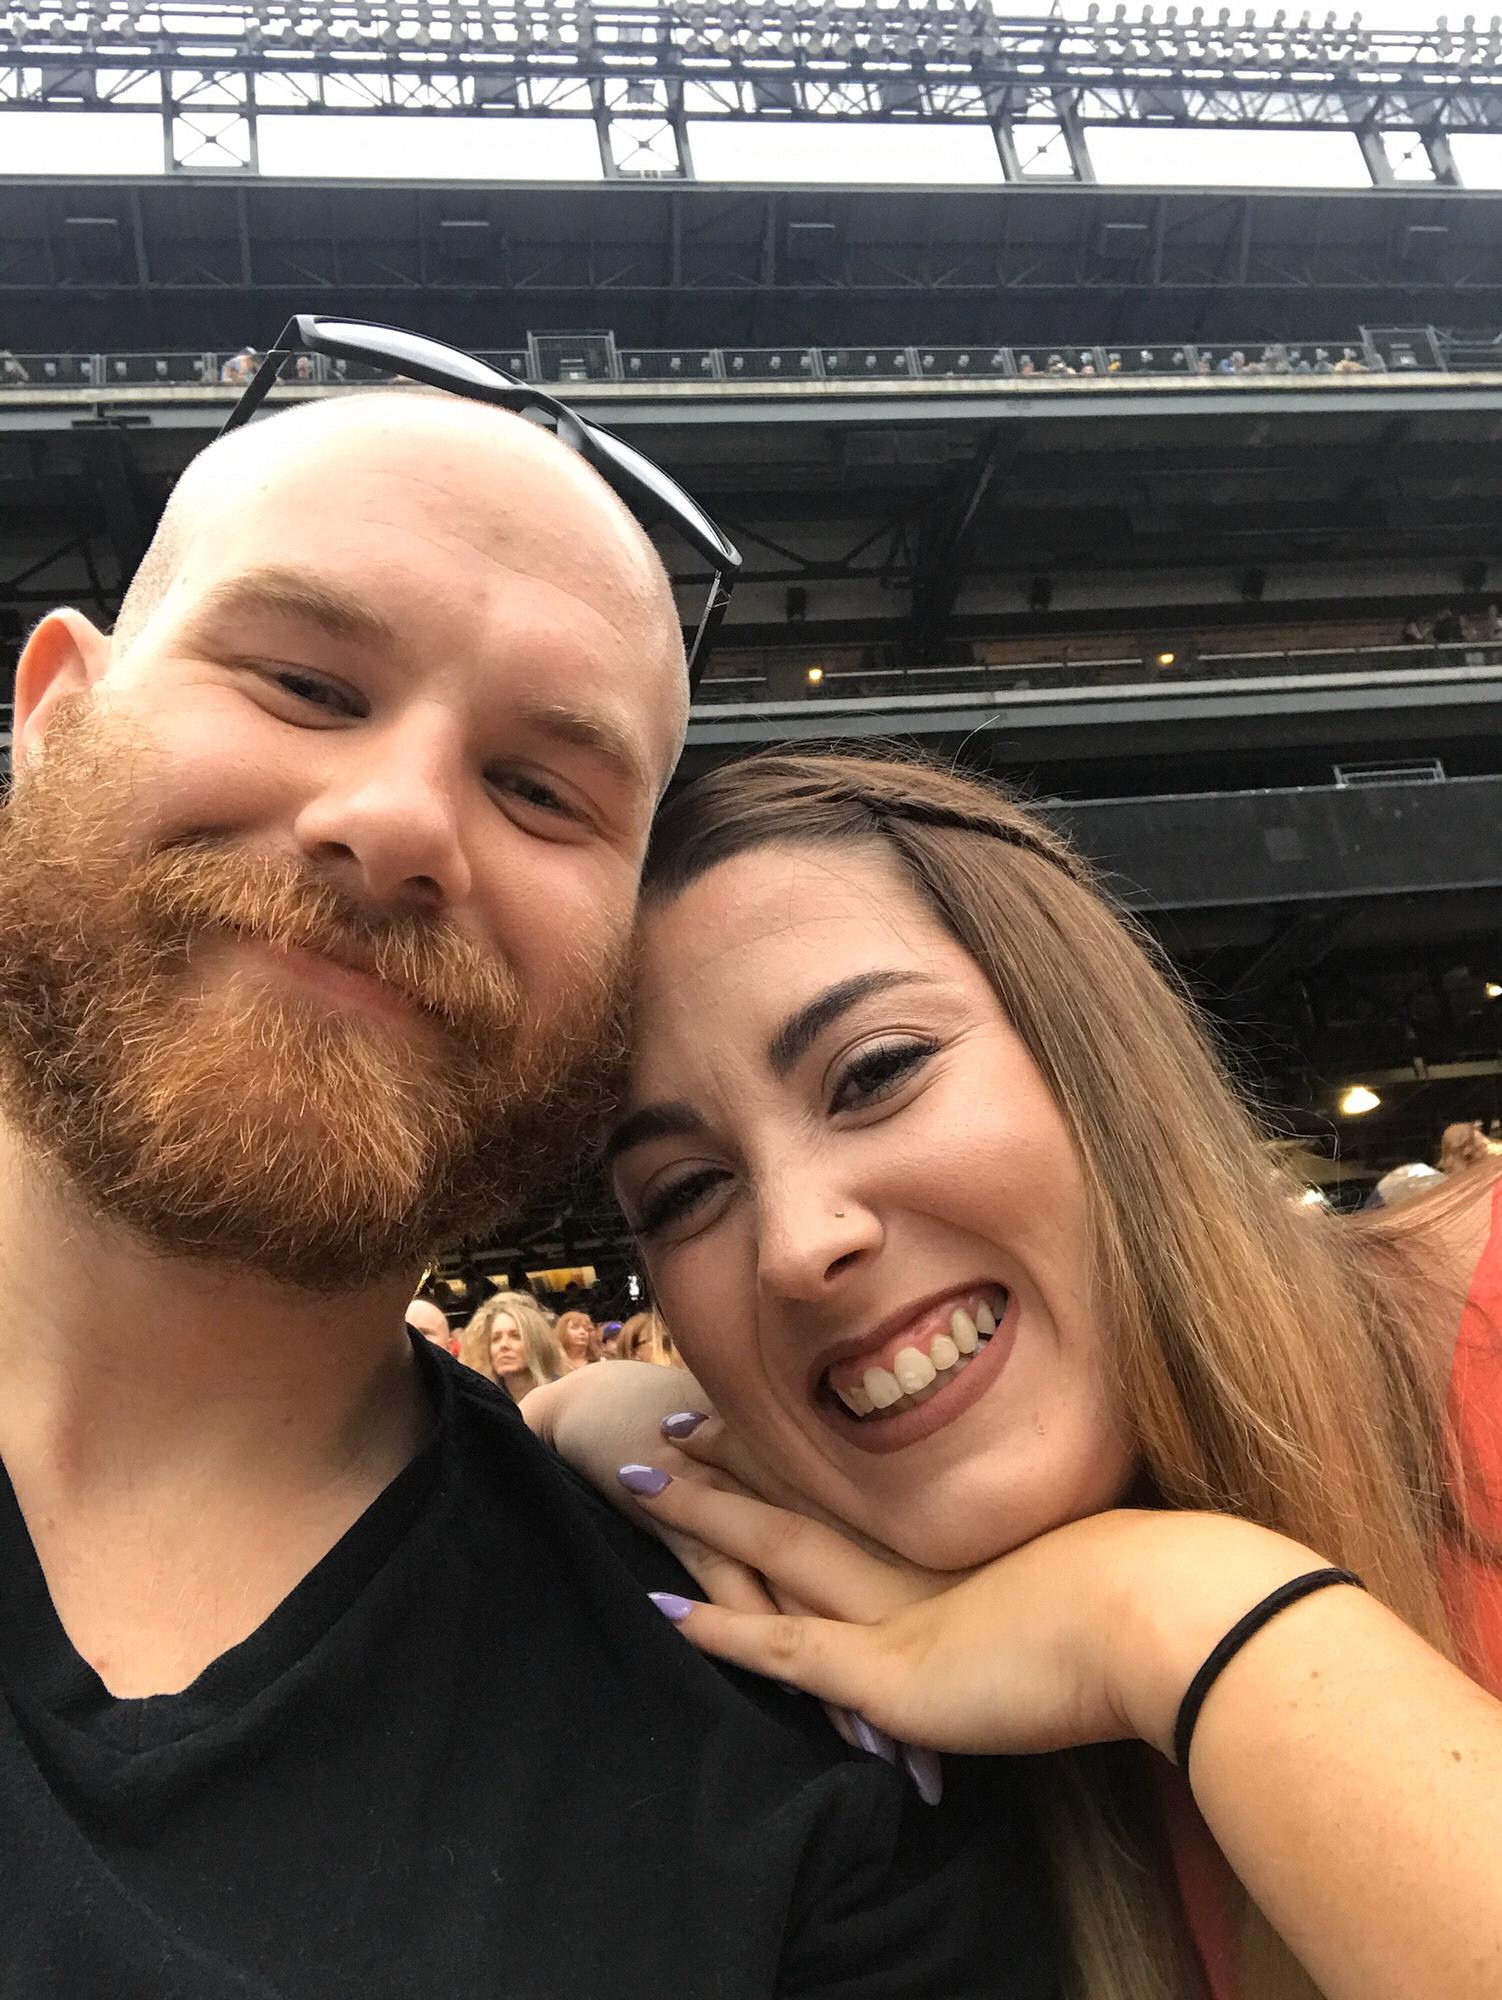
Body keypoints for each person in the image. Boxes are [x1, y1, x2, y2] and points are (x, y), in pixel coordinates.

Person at [0, 383, 1049, 1999]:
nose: (398, 823)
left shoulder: (787, 1756)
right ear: (58, 715)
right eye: (305, 684)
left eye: (543, 789)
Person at [530, 743, 1502, 2000]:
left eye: (874, 1071)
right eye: (683, 1192)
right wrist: (593, 1414)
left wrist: (1171, 1614)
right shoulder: (903, 1735)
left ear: (1099, 1050)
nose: (794, 1247)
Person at [459, 1289, 566, 1400]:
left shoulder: (563, 1396)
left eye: (515, 1336)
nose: (503, 1345)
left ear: (536, 1342)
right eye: (496, 1339)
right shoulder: (485, 1401)